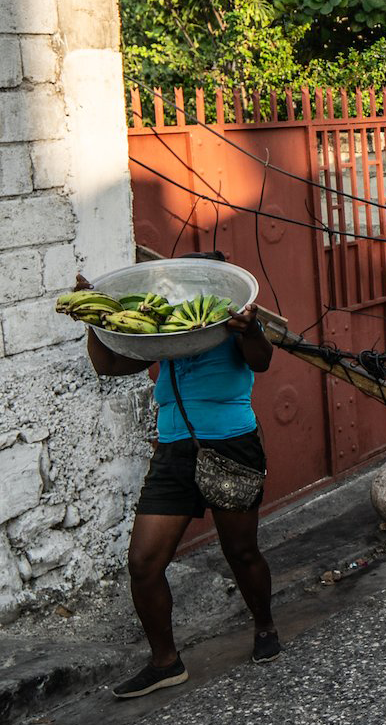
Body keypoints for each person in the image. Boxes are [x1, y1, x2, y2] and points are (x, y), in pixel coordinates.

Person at [82, 252, 280, 700]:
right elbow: (109, 365)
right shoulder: (166, 334)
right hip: (173, 453)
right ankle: (165, 662)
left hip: (230, 447)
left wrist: (249, 328)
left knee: (242, 551)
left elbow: (261, 360)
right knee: (143, 563)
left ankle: (265, 626)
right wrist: (90, 316)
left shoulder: (235, 324)